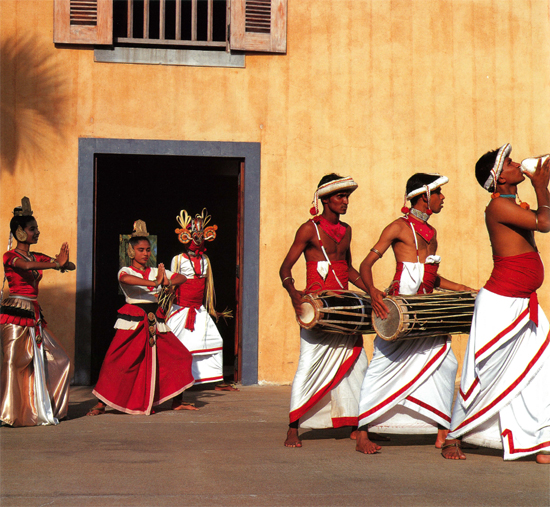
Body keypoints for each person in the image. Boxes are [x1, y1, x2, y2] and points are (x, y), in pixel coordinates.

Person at [442, 144, 550, 463]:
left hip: (522, 302)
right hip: (501, 303)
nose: (518, 165)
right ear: (499, 177)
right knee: (487, 372)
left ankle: (540, 440)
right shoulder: (497, 208)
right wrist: (541, 185)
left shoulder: (511, 203)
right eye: (510, 163)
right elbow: (545, 223)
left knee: (541, 369)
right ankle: (453, 437)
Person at [355, 174, 471, 454]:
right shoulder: (397, 227)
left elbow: (432, 278)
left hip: (426, 309)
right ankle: (361, 433)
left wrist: (464, 289)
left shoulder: (432, 233)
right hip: (400, 308)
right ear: (424, 196)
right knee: (382, 368)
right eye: (439, 193)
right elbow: (366, 263)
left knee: (445, 363)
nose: (443, 198)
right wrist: (372, 292)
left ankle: (443, 429)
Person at [280, 174, 370, 448]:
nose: (345, 202)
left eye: (347, 197)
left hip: (343, 307)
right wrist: (295, 296)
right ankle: (293, 428)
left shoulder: (348, 230)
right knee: (308, 366)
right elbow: (285, 269)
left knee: (358, 365)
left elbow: (349, 270)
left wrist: (373, 292)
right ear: (325, 199)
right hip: (318, 309)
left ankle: (354, 423)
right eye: (340, 197)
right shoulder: (309, 229)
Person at [87, 220, 196, 416]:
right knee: (117, 361)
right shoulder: (126, 270)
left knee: (180, 357)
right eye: (141, 250)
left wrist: (167, 280)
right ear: (131, 252)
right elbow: (126, 280)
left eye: (148, 249)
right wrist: (155, 283)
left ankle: (177, 401)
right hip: (134, 321)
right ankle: (101, 403)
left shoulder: (156, 271)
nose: (146, 253)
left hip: (156, 322)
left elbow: (183, 278)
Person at [0, 197, 73, 427]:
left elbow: (65, 265)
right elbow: (27, 267)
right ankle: (7, 414)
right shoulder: (10, 256)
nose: (37, 232)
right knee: (13, 363)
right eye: (33, 229)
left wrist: (63, 263)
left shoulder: (37, 256)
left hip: (34, 315)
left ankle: (45, 407)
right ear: (20, 232)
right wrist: (56, 264)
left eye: (37, 229)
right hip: (14, 314)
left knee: (60, 360)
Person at [166, 209, 237, 391]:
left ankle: (211, 380)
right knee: (177, 345)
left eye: (200, 235)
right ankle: (175, 380)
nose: (198, 238)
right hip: (180, 310)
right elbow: (171, 286)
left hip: (199, 310)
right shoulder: (178, 260)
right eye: (194, 235)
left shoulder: (206, 259)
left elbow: (207, 287)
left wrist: (211, 309)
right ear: (186, 236)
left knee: (214, 340)